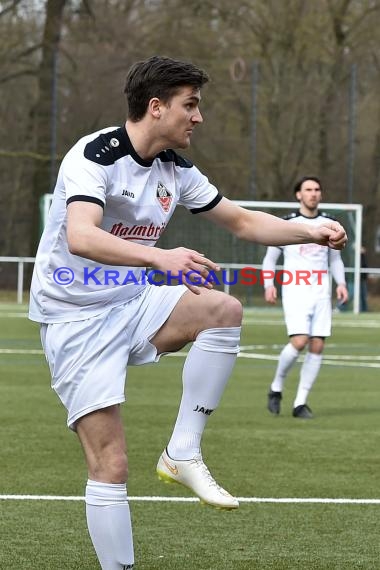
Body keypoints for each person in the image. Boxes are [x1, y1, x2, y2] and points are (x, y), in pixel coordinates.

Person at [29, 58, 347, 570]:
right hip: (74, 319)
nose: (198, 117)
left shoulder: (175, 169)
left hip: (130, 303)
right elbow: (81, 236)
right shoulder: (95, 156)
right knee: (111, 464)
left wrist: (311, 231)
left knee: (222, 309)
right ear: (157, 108)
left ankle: (182, 452)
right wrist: (161, 257)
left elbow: (241, 221)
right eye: (190, 105)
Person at [262, 176, 349, 420]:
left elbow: (335, 259)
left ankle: (300, 403)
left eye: (317, 189)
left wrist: (341, 283)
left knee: (318, 345)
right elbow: (270, 258)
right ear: (298, 194)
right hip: (295, 290)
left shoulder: (330, 224)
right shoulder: (288, 223)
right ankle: (276, 386)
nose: (313, 193)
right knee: (299, 341)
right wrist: (269, 284)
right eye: (308, 189)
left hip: (321, 292)